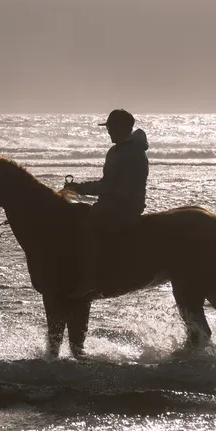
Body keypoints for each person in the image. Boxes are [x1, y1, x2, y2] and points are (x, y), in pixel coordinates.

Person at [63, 109, 149, 297]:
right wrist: (81, 188)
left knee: (88, 229)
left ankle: (94, 278)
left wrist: (80, 188)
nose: (108, 131)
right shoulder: (123, 150)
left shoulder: (128, 152)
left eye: (111, 128)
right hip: (117, 202)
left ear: (122, 128)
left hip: (123, 206)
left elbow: (110, 186)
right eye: (108, 127)